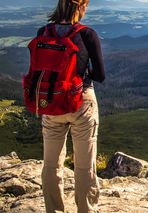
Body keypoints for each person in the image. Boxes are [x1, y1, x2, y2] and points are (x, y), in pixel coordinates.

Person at [38, 0, 105, 212]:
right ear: (80, 7)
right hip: (81, 102)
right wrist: (82, 74)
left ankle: (54, 209)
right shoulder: (87, 34)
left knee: (50, 165)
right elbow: (100, 75)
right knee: (84, 167)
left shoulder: (44, 31)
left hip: (50, 102)